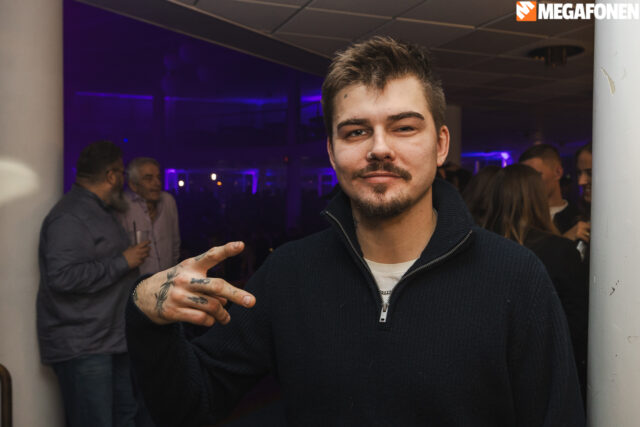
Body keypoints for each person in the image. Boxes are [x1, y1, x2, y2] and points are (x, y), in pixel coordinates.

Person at [126, 37, 584, 426]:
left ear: (441, 144)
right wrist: (147, 316)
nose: (379, 148)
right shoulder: (289, 275)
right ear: (331, 151)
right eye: (356, 132)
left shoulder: (515, 277)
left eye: (404, 127)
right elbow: (190, 406)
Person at [37, 140, 150, 427]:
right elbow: (62, 277)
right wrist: (123, 261)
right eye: (122, 173)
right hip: (84, 346)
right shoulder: (70, 216)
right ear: (111, 176)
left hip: (111, 338)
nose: (123, 179)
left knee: (126, 416)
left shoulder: (100, 211)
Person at [483, 164, 589, 404]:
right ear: (538, 199)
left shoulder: (479, 247)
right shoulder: (560, 251)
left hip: (491, 375)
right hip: (545, 375)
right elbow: (576, 324)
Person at [119, 157, 181, 276]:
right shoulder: (122, 205)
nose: (157, 183)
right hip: (137, 282)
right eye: (149, 178)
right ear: (133, 185)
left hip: (167, 279)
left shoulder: (168, 201)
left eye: (158, 177)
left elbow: (175, 243)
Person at [519, 144, 590, 242]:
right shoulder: (519, 218)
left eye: (535, 176)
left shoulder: (579, 216)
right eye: (524, 178)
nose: (528, 183)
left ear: (558, 172)